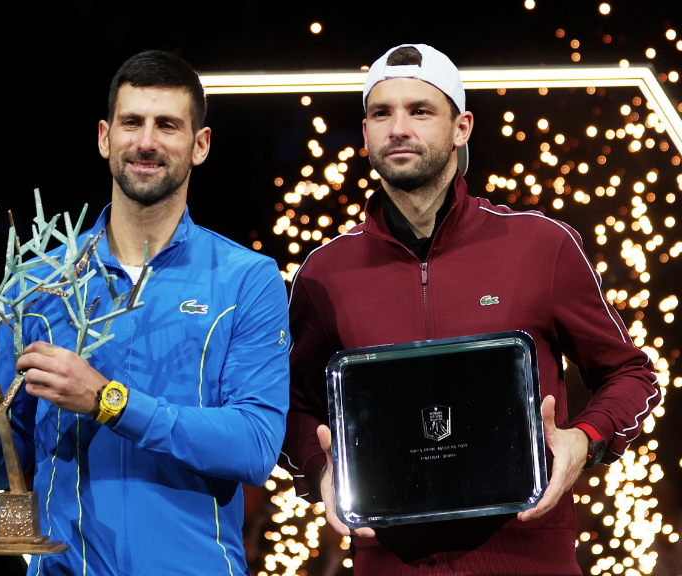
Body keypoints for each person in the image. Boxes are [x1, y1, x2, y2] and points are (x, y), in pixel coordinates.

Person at [280, 43, 660, 575]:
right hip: (388, 563)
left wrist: (585, 440)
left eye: (420, 110)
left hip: (528, 557)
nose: (398, 128)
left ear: (462, 128)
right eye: (381, 113)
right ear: (364, 132)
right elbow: (288, 405)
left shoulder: (540, 245)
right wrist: (320, 470)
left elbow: (630, 373)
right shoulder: (325, 272)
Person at [0, 50, 290, 575]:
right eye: (131, 123)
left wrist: (108, 401)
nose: (146, 141)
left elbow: (255, 447)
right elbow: (13, 467)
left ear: (200, 145)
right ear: (104, 137)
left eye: (167, 125)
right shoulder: (34, 284)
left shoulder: (246, 279)